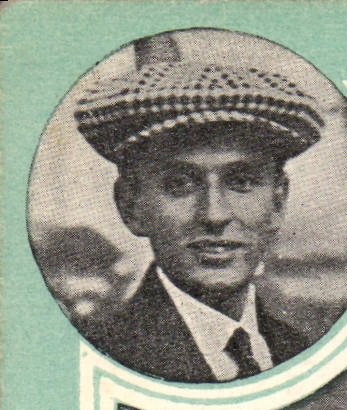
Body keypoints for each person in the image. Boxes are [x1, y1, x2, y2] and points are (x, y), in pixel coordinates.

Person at [74, 46, 325, 382]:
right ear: (130, 205)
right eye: (179, 184)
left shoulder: (297, 351)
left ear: (278, 202)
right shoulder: (103, 356)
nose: (215, 214)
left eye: (242, 182)